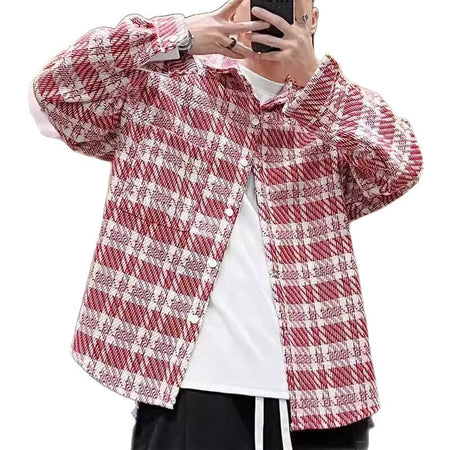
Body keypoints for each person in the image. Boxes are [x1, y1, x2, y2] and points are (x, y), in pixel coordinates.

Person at [29, 0, 423, 449]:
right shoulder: (162, 85)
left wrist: (316, 83)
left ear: (311, 18)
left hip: (324, 387)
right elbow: (54, 92)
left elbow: (401, 168)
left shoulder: (335, 112)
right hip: (189, 385)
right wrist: (175, 34)